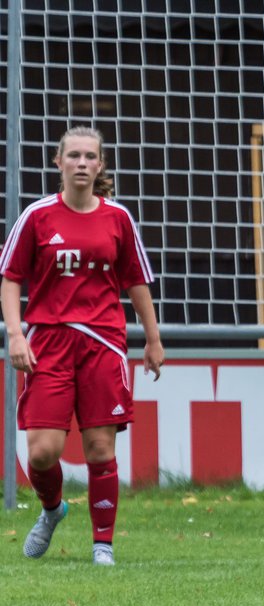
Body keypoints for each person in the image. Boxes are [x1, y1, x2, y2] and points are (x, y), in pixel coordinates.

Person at [2, 126, 165, 567]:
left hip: (102, 342)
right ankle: (53, 509)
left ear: (100, 165)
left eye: (88, 156)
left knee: (99, 449)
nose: (80, 163)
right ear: (58, 163)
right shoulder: (37, 217)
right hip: (48, 342)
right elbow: (11, 278)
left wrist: (153, 339)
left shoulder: (117, 218)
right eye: (72, 155)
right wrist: (15, 333)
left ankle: (103, 545)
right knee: (42, 452)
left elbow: (135, 281)